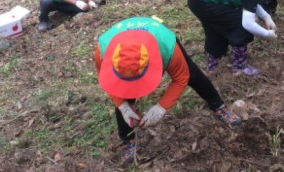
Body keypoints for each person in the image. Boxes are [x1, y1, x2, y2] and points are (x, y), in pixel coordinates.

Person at [94, 16, 241, 164]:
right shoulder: (102, 51)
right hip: (121, 38)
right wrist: (123, 106)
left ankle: (218, 106)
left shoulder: (167, 48)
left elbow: (181, 78)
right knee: (122, 91)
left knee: (193, 75)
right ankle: (128, 140)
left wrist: (160, 108)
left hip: (158, 34)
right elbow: (108, 83)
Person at [187, 0, 284, 76]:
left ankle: (213, 63)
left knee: (216, 28)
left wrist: (266, 16)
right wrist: (267, 34)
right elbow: (247, 23)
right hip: (203, 0)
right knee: (239, 27)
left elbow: (249, 1)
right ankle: (240, 67)